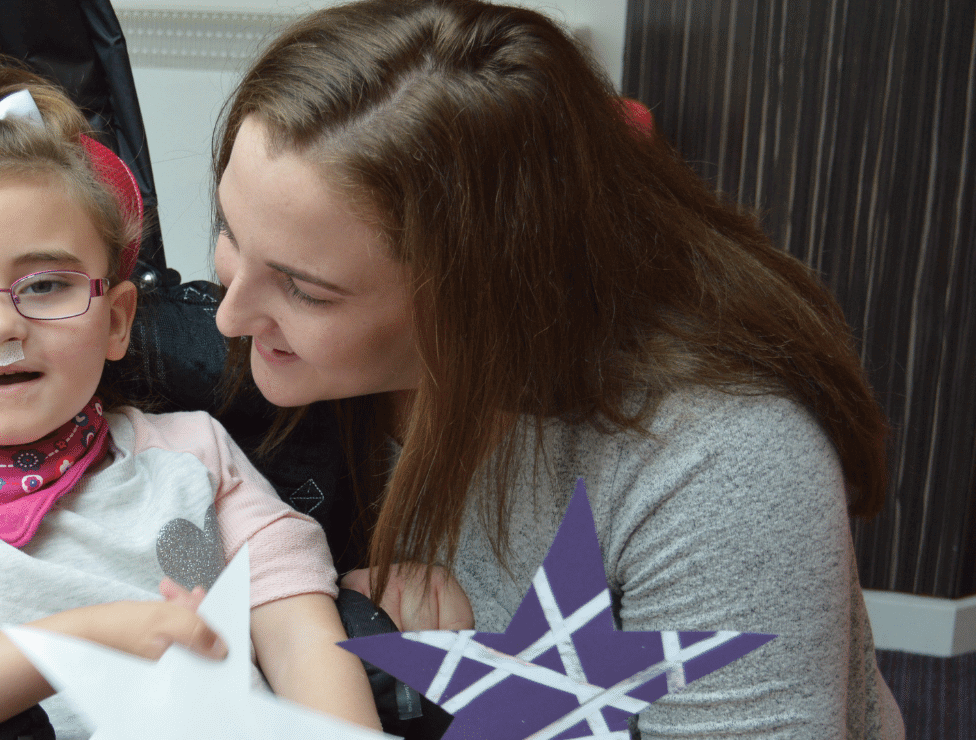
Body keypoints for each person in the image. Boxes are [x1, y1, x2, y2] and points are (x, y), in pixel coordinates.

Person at [207, 0, 905, 737]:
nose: (229, 315)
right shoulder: (265, 355)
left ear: (481, 299)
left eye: (305, 290)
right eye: (229, 230)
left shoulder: (722, 461)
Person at [0, 53, 381, 740]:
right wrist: (84, 639)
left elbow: (300, 634)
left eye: (44, 287)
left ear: (116, 320)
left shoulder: (195, 456)